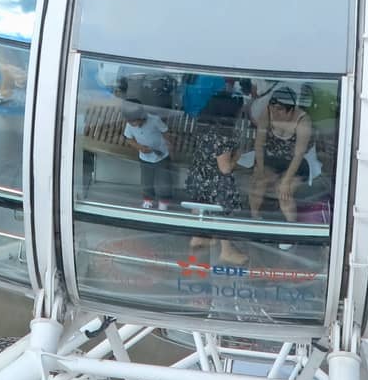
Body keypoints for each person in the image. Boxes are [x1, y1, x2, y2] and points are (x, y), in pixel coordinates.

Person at [186, 91, 248, 263]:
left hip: (199, 175)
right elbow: (225, 168)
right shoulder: (223, 134)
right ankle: (226, 251)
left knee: (201, 207)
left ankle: (199, 237)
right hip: (216, 182)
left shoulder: (203, 124)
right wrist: (237, 157)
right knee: (224, 213)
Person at [248, 85, 313, 223]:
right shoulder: (268, 113)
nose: (275, 114)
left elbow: (298, 155)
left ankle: (291, 228)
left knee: (284, 192)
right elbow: (259, 144)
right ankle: (254, 218)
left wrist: (286, 180)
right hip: (271, 159)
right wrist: (259, 169)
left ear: (291, 110)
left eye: (280, 110)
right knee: (258, 184)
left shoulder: (303, 121)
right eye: (273, 109)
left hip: (295, 164)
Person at [122, 101, 174, 210]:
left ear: (142, 117)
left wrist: (169, 145)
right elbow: (129, 139)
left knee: (163, 180)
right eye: (130, 122)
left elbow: (165, 132)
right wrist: (139, 147)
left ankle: (164, 201)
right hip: (145, 157)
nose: (133, 124)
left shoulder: (154, 120)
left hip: (161, 155)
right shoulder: (129, 125)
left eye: (135, 122)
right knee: (146, 180)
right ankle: (148, 199)